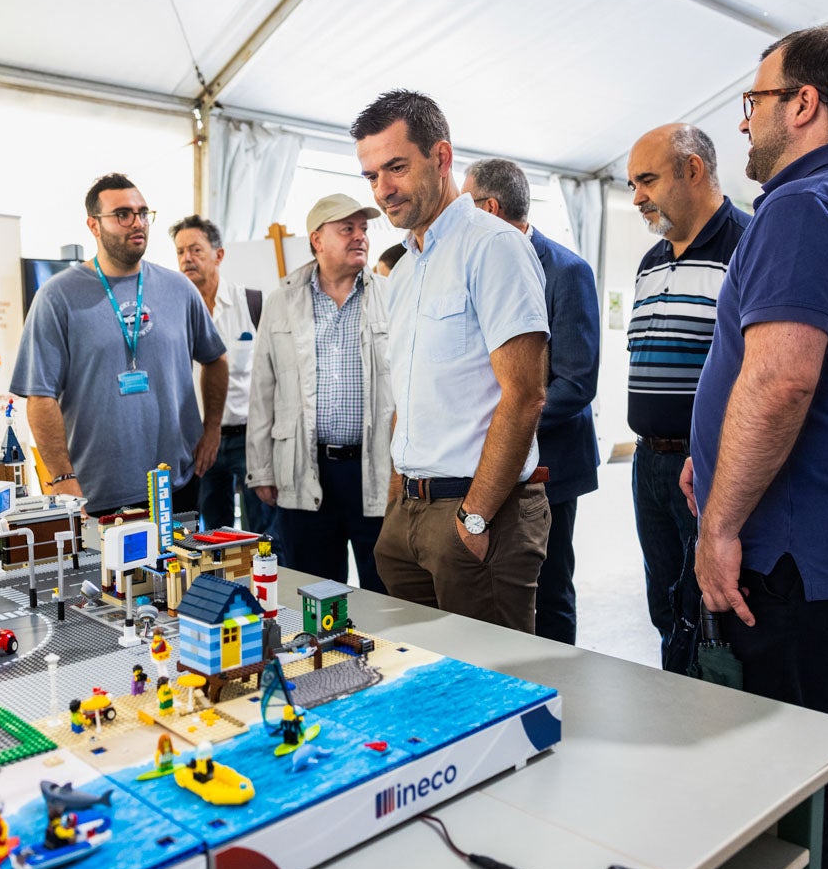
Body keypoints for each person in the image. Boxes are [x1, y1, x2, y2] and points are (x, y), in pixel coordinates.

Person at [683, 23, 828, 869]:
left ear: (803, 104)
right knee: (819, 747)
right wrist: (710, 454)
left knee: (801, 769)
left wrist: (719, 521)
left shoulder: (802, 205)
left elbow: (780, 381)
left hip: (791, 550)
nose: (744, 125)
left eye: (754, 102)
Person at [353, 90, 551, 633]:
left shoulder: (492, 246)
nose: (382, 190)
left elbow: (526, 393)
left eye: (396, 167)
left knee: (492, 692)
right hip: (410, 516)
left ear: (441, 158)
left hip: (475, 511)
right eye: (371, 175)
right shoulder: (408, 267)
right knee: (423, 682)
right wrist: (398, 501)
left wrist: (475, 515)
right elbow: (409, 395)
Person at [12, 173, 228, 517]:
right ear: (94, 225)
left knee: (183, 571)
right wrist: (62, 478)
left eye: (143, 213)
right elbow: (40, 397)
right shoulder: (57, 297)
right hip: (96, 492)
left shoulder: (179, 290)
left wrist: (213, 428)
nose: (137, 223)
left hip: (178, 485)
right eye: (123, 215)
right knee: (110, 573)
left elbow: (215, 359)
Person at [625, 123, 751, 659]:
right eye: (632, 184)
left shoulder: (748, 244)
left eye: (647, 180)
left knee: (716, 609)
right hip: (648, 464)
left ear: (693, 170)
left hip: (709, 467)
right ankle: (678, 701)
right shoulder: (650, 263)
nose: (637, 198)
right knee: (666, 606)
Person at [462, 158, 600, 645]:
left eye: (466, 204)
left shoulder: (567, 271)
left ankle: (563, 688)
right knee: (499, 581)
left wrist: (506, 426)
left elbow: (577, 382)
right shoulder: (476, 265)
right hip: (490, 459)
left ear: (491, 208)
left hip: (551, 465)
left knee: (550, 586)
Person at [246, 193, 393, 593]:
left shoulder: (390, 295)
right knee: (315, 589)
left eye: (363, 228)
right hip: (304, 466)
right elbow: (263, 389)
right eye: (347, 229)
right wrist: (261, 468)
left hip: (374, 467)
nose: (360, 236)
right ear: (317, 239)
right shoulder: (282, 302)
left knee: (384, 587)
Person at [169, 215, 277, 538]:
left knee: (264, 536)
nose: (187, 258)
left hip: (250, 440)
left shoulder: (253, 303)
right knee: (213, 537)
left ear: (219, 255)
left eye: (196, 250)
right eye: (180, 252)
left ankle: (267, 588)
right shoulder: (174, 313)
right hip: (199, 444)